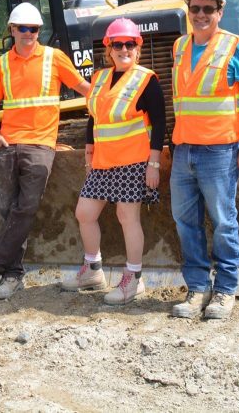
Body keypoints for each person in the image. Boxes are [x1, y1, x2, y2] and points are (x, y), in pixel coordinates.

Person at [0, 2, 91, 300]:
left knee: (26, 207)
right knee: (6, 208)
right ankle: (13, 273)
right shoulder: (2, 64)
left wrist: (112, 98)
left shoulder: (55, 58)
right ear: (12, 30)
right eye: (23, 28)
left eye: (35, 29)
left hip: (41, 145)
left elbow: (82, 86)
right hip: (9, 144)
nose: (29, 34)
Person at [169, 0, 239, 321]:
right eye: (195, 8)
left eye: (209, 8)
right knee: (184, 221)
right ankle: (197, 288)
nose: (201, 14)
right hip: (184, 150)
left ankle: (224, 290)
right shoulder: (179, 47)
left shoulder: (236, 46)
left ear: (220, 11)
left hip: (220, 152)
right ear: (188, 10)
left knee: (223, 222)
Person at [61, 18, 166, 304]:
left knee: (127, 217)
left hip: (133, 161)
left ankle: (133, 279)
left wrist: (153, 164)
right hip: (102, 162)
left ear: (137, 47)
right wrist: (88, 153)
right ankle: (93, 270)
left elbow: (159, 123)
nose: (124, 49)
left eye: (129, 44)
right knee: (85, 213)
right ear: (109, 49)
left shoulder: (146, 80)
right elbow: (94, 119)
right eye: (117, 44)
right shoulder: (100, 78)